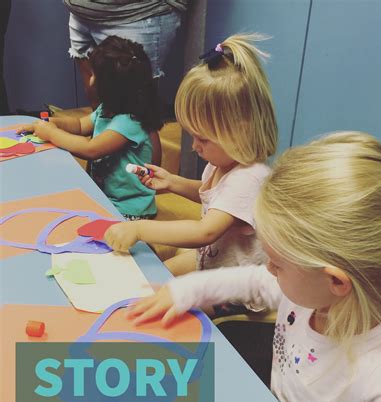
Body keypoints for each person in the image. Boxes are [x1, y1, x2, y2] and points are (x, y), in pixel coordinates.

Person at [127, 132, 381, 402]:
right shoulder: (308, 292)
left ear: (335, 281)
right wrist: (182, 291)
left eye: (277, 263)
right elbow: (249, 279)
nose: (267, 270)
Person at [104, 34, 278, 284]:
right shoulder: (223, 162)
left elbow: (204, 231)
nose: (194, 147)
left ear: (240, 131)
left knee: (165, 297)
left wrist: (140, 229)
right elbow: (213, 195)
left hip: (235, 283)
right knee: (152, 279)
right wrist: (173, 182)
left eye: (203, 139)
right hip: (212, 260)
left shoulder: (250, 177)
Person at [17, 36, 162, 220]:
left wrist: (52, 134)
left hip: (128, 211)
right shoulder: (108, 109)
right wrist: (52, 124)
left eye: (94, 75)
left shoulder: (129, 122)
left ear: (110, 87)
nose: (91, 80)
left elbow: (91, 149)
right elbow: (79, 125)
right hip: (106, 199)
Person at [63, 0, 187, 107]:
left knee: (136, 112)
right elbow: (84, 123)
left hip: (138, 13)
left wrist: (52, 132)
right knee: (97, 100)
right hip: (80, 13)